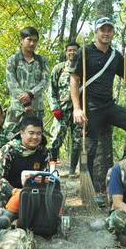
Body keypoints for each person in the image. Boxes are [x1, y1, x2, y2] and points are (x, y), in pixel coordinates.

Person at [70, 17, 126, 200]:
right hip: (89, 108)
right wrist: (77, 109)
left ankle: (125, 170)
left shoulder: (115, 55)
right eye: (102, 30)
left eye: (109, 30)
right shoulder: (84, 52)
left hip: (108, 106)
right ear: (96, 31)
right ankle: (90, 192)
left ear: (113, 33)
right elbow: (74, 79)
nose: (106, 33)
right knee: (89, 149)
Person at [0, 116, 49, 213]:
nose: (35, 137)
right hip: (11, 191)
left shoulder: (43, 152)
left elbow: (48, 177)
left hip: (35, 192)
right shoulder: (9, 150)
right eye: (31, 133)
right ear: (22, 133)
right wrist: (14, 192)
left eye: (38, 133)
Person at [48, 41, 83, 177]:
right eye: (70, 50)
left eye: (75, 50)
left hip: (78, 112)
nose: (72, 53)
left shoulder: (84, 69)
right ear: (66, 52)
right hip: (61, 112)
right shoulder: (59, 68)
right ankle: (52, 170)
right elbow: (51, 89)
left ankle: (72, 171)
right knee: (55, 140)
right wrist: (55, 107)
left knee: (77, 141)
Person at [6, 26, 49, 127]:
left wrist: (31, 94)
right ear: (21, 40)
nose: (32, 43)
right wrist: (25, 102)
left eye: (35, 41)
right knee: (10, 138)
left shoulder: (42, 61)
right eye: (29, 39)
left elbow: (45, 81)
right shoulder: (13, 60)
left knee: (35, 139)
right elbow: (11, 83)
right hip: (17, 109)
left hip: (36, 109)